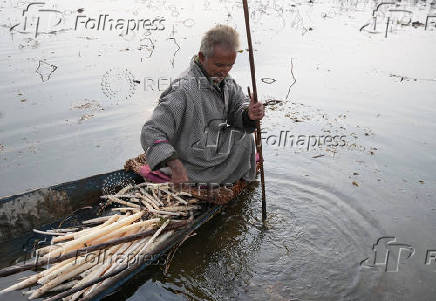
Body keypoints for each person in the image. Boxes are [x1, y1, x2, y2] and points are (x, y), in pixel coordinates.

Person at [140, 24, 264, 185]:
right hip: (191, 162)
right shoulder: (183, 90)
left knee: (244, 137)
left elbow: (238, 106)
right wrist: (175, 165)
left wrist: (249, 114)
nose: (224, 71)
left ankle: (231, 174)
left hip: (211, 147)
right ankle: (215, 178)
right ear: (202, 56)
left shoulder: (225, 81)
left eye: (230, 65)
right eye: (219, 65)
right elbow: (151, 131)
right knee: (245, 142)